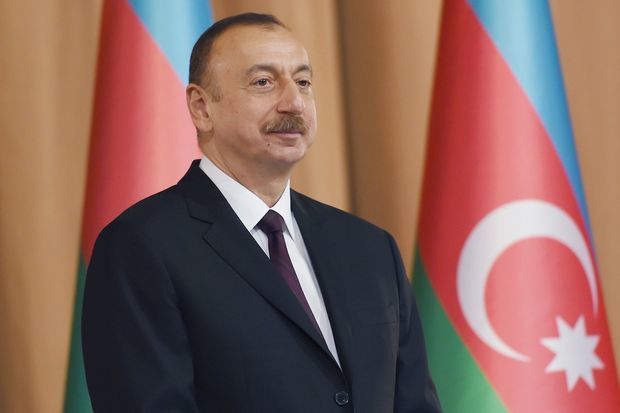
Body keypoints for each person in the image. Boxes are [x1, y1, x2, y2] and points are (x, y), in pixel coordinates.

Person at [82, 12, 441, 413]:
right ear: (202, 107)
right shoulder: (140, 246)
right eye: (263, 83)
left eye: (303, 82)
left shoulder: (370, 248)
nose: (293, 102)